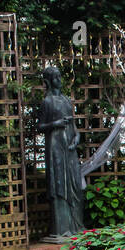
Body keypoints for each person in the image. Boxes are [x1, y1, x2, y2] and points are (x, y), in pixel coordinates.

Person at [37, 65, 84, 237]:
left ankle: (76, 226)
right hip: (55, 147)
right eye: (55, 77)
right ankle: (62, 228)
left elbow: (74, 125)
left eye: (59, 76)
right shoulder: (47, 102)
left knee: (75, 184)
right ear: (48, 81)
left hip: (70, 147)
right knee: (59, 184)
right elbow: (40, 126)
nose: (59, 80)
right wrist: (55, 124)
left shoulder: (66, 100)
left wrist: (77, 137)